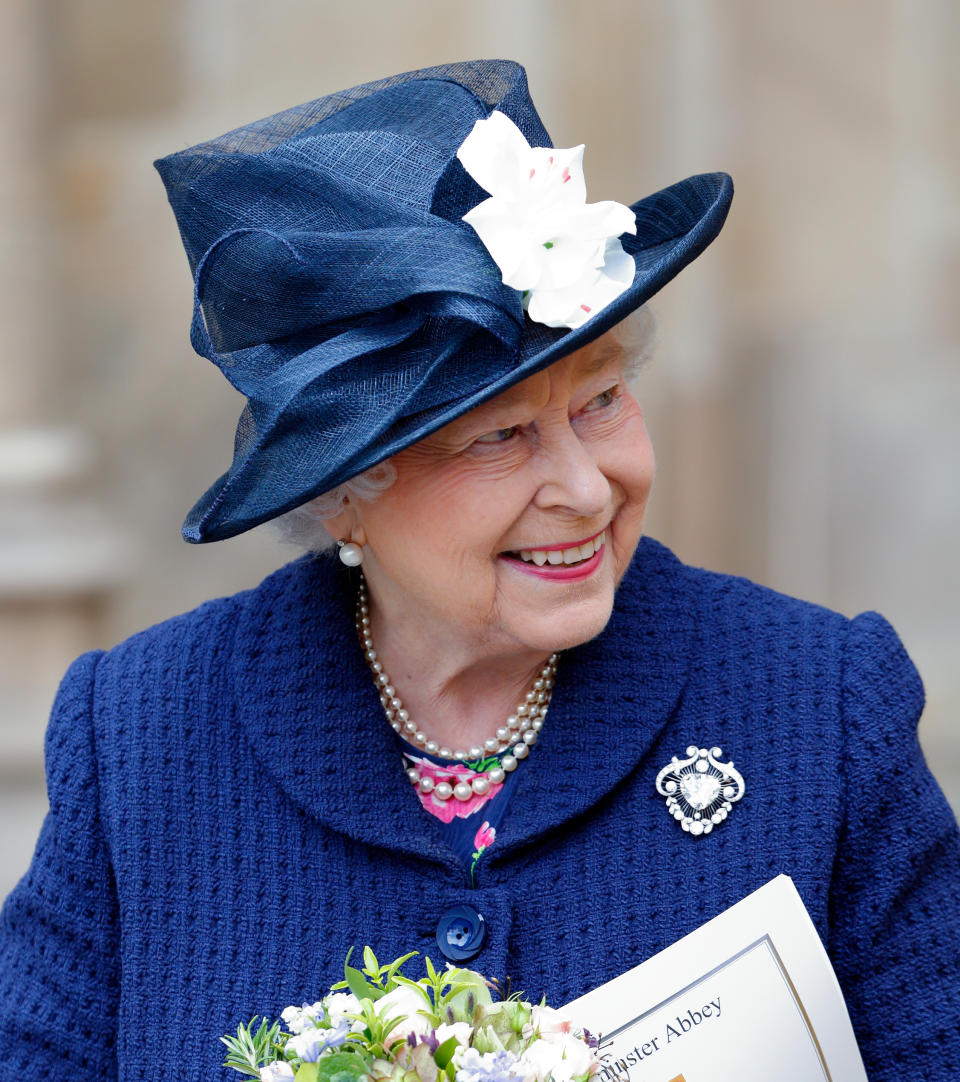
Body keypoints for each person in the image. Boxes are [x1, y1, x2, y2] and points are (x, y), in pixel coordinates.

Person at [0, 59, 957, 1082]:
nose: (588, 488)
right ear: (347, 487)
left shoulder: (816, 701)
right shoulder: (145, 733)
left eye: (602, 399)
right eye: (501, 436)